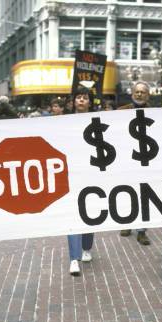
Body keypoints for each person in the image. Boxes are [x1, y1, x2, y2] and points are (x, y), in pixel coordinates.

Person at [117, 81, 153, 245]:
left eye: (142, 92)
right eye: (136, 92)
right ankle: (126, 223)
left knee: (145, 195)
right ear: (132, 93)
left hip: (147, 159)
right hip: (127, 159)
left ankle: (142, 231)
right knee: (127, 192)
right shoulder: (121, 112)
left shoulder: (157, 113)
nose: (139, 94)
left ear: (148, 95)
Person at [67, 86, 96, 276]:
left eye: (85, 97)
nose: (81, 100)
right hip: (70, 174)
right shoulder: (65, 122)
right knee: (71, 216)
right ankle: (73, 259)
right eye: (78, 97)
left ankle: (86, 248)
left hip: (92, 172)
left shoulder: (98, 122)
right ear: (73, 101)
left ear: (89, 102)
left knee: (91, 213)